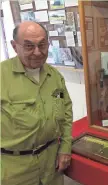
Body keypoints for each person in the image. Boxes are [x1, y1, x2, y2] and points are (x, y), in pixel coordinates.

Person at [0, 21, 73, 185]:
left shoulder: (54, 77)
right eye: (29, 46)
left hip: (52, 164)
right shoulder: (1, 77)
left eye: (42, 45)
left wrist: (65, 148)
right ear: (14, 46)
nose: (38, 52)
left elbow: (65, 113)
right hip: (15, 170)